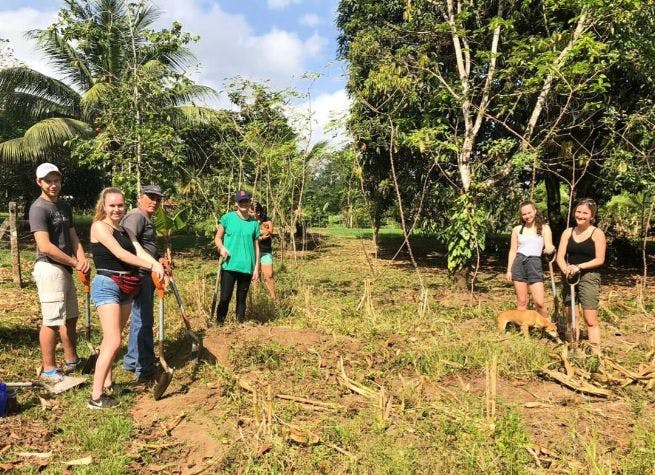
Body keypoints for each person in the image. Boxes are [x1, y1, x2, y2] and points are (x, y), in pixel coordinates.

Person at [88, 187, 164, 409]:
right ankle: (95, 396)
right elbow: (121, 254)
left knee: (111, 339)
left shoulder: (123, 230)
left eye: (120, 205)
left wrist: (157, 264)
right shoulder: (99, 227)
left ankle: (109, 383)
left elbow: (138, 249)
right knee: (113, 341)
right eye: (112, 205)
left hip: (126, 286)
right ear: (103, 206)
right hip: (107, 284)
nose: (117, 209)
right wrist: (151, 265)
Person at [29, 163, 90, 383]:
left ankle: (72, 359)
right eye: (48, 181)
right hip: (49, 267)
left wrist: (82, 259)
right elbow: (44, 246)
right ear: (39, 183)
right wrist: (74, 263)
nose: (53, 185)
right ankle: (49, 369)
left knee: (71, 317)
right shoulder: (38, 208)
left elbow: (73, 236)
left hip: (66, 267)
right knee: (52, 320)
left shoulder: (64, 207)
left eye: (56, 180)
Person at [121, 185, 171, 384]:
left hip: (148, 271)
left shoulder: (146, 218)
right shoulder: (136, 216)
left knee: (139, 318)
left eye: (157, 198)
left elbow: (144, 245)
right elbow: (130, 243)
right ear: (140, 197)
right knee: (144, 320)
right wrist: (151, 264)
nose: (154, 201)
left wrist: (159, 258)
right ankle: (145, 366)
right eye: (150, 197)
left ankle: (133, 360)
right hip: (140, 273)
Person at [556, 198, 606, 353]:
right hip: (569, 276)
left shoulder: (597, 233)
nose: (581, 215)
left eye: (585, 213)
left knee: (590, 319)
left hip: (589, 277)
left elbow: (600, 259)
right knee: (571, 317)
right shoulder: (568, 232)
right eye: (578, 211)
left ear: (592, 216)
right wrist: (565, 269)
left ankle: (595, 355)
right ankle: (572, 349)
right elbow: (560, 256)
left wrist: (579, 267)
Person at [214, 190, 260, 324]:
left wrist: (256, 268)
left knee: (241, 299)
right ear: (236, 203)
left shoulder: (254, 223)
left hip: (247, 266)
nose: (244, 204)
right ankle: (219, 323)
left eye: (246, 201)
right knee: (225, 297)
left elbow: (257, 247)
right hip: (229, 265)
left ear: (249, 202)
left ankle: (239, 326)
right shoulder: (227, 218)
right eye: (241, 201)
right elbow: (217, 238)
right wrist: (222, 248)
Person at [506, 201, 556, 319]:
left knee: (539, 302)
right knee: (522, 301)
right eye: (524, 214)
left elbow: (549, 246)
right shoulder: (517, 229)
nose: (527, 216)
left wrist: (550, 249)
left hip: (534, 263)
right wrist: (509, 270)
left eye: (529, 212)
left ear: (535, 211)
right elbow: (513, 250)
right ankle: (523, 329)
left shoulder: (544, 228)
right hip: (518, 263)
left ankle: (545, 326)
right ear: (521, 216)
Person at [253, 203, 276, 300]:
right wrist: (261, 233)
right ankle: (256, 298)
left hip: (265, 251)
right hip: (253, 251)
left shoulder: (267, 221)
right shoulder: (249, 222)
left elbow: (269, 232)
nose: (249, 213)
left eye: (252, 211)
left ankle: (274, 298)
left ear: (258, 212)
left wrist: (259, 233)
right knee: (255, 276)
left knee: (269, 275)